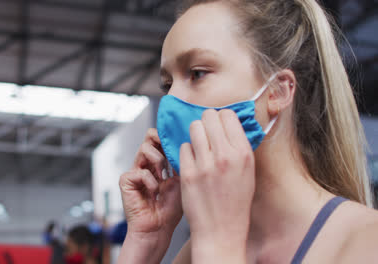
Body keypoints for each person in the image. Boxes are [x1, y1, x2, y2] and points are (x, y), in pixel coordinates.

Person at [117, 0, 378, 263]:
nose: (170, 101)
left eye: (197, 73)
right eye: (167, 84)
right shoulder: (194, 249)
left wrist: (219, 247)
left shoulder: (366, 241)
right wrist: (145, 243)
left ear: (277, 91)